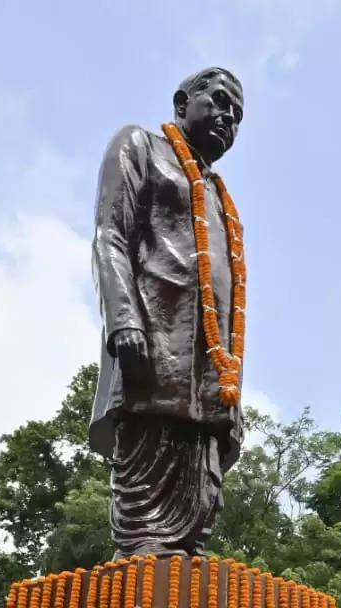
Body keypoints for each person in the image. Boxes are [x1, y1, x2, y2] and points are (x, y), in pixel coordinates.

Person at [90, 67, 246, 557]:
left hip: (210, 362)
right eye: (219, 102)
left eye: (237, 116)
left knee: (202, 466)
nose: (227, 118)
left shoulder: (219, 194)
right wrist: (124, 317)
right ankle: (143, 549)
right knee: (149, 439)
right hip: (153, 336)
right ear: (182, 103)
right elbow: (110, 236)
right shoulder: (141, 146)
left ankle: (184, 552)